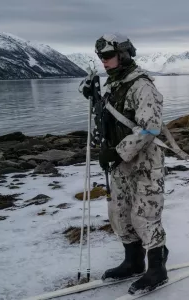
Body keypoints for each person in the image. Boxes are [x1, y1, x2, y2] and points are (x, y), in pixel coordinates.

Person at [79, 33, 168, 294]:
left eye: (107, 56)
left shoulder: (142, 86)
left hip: (144, 163)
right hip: (120, 164)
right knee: (119, 212)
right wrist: (91, 95)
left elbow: (150, 128)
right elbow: (107, 115)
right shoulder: (114, 84)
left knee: (145, 215)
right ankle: (133, 260)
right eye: (101, 57)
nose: (103, 61)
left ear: (124, 54)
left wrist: (118, 152)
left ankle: (157, 267)